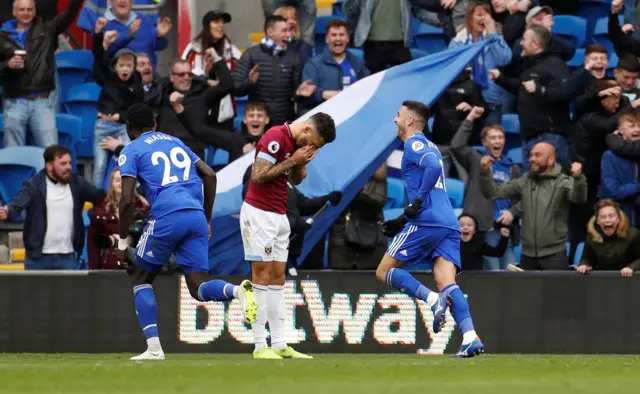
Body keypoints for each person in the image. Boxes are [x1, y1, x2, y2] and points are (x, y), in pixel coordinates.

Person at [116, 101, 257, 361]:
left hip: (166, 215)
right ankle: (237, 291)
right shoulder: (175, 141)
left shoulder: (131, 150)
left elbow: (125, 201)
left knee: (141, 278)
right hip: (195, 216)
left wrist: (123, 240)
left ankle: (154, 349)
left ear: (128, 127)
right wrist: (207, 218)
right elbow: (210, 175)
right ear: (155, 124)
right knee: (197, 286)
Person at [376, 101, 484, 358]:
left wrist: (414, 205)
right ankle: (470, 336)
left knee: (384, 271)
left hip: (427, 219)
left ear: (410, 120)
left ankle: (432, 300)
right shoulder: (428, 145)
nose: (395, 119)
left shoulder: (414, 143)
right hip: (448, 221)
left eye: (398, 114)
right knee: (446, 281)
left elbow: (434, 168)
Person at [241, 112, 336, 359]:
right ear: (306, 129)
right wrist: (293, 160)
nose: (314, 147)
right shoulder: (275, 136)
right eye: (314, 143)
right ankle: (260, 346)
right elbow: (258, 175)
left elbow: (296, 180)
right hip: (259, 213)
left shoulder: (296, 145)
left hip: (279, 214)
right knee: (261, 275)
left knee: (277, 277)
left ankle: (280, 343)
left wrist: (301, 164)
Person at [490, 25, 595, 170]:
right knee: (531, 190)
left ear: (535, 44)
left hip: (549, 137)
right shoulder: (529, 66)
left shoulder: (555, 65)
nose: (521, 43)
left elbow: (564, 93)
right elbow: (523, 88)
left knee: (550, 188)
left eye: (524, 40)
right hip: (529, 139)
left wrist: (540, 89)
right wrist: (500, 78)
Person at [480, 142, 587, 270]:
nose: (532, 159)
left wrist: (579, 179)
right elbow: (492, 192)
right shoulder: (525, 180)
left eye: (537, 155)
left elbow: (579, 198)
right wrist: (485, 172)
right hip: (527, 255)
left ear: (551, 159)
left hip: (555, 255)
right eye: (531, 155)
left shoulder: (563, 181)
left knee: (556, 291)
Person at [0, 145, 105, 270]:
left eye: (70, 163)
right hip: (37, 258)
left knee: (69, 290)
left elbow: (100, 197)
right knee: (35, 290)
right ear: (49, 166)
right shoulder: (34, 185)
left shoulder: (77, 183)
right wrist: (7, 211)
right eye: (63, 163)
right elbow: (17, 203)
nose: (68, 167)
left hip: (68, 257)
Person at [0, 0, 84, 148]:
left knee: (50, 152)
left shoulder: (47, 29)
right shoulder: (2, 36)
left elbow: (68, 14)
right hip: (14, 103)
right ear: (14, 12)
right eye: (22, 9)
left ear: (34, 11)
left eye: (29, 9)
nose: (25, 13)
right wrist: (8, 64)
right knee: (13, 154)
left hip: (42, 102)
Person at [450, 106, 521, 270]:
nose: (497, 141)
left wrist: (513, 212)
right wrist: (471, 118)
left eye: (500, 137)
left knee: (510, 277)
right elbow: (456, 145)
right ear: (484, 142)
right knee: (492, 277)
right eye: (493, 138)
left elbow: (522, 198)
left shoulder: (512, 168)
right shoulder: (477, 160)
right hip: (484, 230)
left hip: (505, 231)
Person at [232, 15, 316, 126]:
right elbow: (236, 89)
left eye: (289, 31)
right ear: (270, 32)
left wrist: (298, 93)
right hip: (258, 124)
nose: (288, 35)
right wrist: (249, 82)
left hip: (283, 122)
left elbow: (294, 93)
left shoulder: (294, 56)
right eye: (284, 31)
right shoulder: (250, 54)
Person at [92, 21, 143, 186]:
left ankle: (133, 198)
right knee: (99, 166)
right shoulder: (108, 78)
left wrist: (118, 117)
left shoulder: (137, 84)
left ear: (134, 67)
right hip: (102, 127)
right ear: (115, 67)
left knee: (128, 162)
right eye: (121, 65)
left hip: (123, 127)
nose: (125, 69)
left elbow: (137, 109)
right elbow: (99, 57)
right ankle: (96, 202)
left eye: (129, 65)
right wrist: (100, 35)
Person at [448, 2, 512, 125]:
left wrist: (494, 34)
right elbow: (452, 71)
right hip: (466, 101)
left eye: (487, 15)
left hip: (490, 100)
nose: (484, 18)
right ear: (470, 18)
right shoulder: (458, 42)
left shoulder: (494, 39)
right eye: (480, 15)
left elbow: (505, 59)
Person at [181, 10, 241, 131]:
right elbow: (182, 76)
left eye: (223, 22)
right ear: (207, 25)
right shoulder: (193, 48)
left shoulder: (232, 50)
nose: (221, 25)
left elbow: (238, 78)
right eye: (216, 22)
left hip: (225, 109)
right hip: (198, 106)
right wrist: (206, 76)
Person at [299, 18, 370, 115]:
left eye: (341, 35)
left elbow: (368, 90)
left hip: (351, 116)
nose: (338, 38)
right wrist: (323, 94)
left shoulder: (358, 63)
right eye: (333, 35)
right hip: (324, 119)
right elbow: (305, 99)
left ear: (348, 38)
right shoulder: (313, 65)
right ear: (327, 39)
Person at [87, 168, 149, 270]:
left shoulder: (143, 206)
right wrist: (94, 268)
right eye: (117, 180)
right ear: (111, 183)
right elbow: (93, 241)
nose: (121, 184)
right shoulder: (102, 206)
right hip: (109, 266)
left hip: (136, 266)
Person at [576, 199, 640, 276]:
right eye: (603, 217)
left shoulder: (633, 234)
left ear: (618, 219)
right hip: (604, 280)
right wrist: (584, 265)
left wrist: (631, 267)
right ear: (598, 220)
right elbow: (586, 258)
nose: (607, 220)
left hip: (629, 279)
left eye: (611, 216)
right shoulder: (592, 236)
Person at [600, 111, 640, 227]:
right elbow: (612, 191)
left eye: (639, 125)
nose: (637, 130)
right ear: (620, 130)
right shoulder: (609, 156)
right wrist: (637, 185)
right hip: (621, 219)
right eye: (632, 126)